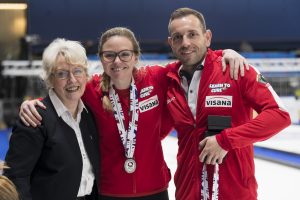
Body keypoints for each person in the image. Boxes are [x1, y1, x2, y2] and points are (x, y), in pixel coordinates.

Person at [18, 28, 248, 199]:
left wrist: (223, 53)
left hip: (155, 190)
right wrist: (33, 103)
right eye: (109, 55)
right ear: (101, 59)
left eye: (125, 54)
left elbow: (191, 58)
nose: (117, 61)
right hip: (110, 192)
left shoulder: (157, 78)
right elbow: (64, 90)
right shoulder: (91, 89)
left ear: (136, 56)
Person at [165, 7, 291, 200]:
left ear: (207, 37)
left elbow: (279, 116)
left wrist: (226, 141)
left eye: (192, 34)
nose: (185, 43)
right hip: (187, 192)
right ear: (170, 43)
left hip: (234, 192)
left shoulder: (236, 70)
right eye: (178, 37)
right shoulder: (167, 80)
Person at [4, 38, 99, 200]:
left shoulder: (88, 115)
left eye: (77, 71)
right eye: (62, 73)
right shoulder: (34, 119)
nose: (72, 79)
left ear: (86, 74)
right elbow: (16, 177)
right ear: (49, 79)